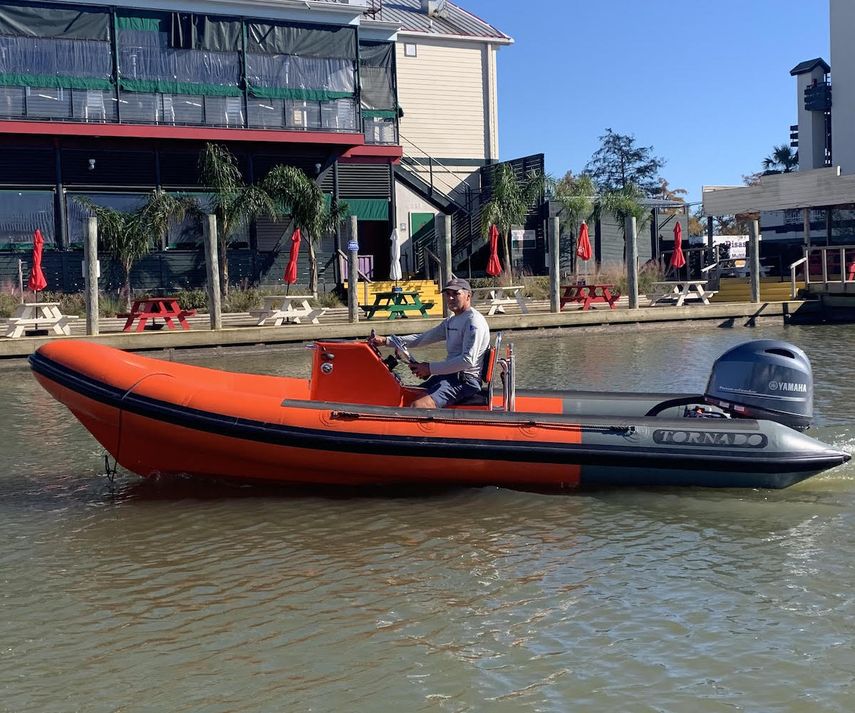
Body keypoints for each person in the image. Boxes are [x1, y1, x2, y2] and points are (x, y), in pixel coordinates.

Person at [371, 277, 490, 408]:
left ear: (468, 296)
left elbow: (467, 361)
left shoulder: (474, 322)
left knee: (419, 405)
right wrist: (386, 341)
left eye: (456, 294)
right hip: (449, 376)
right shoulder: (451, 321)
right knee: (406, 396)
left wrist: (429, 368)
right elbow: (421, 338)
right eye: (448, 294)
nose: (450, 298)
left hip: (465, 381)